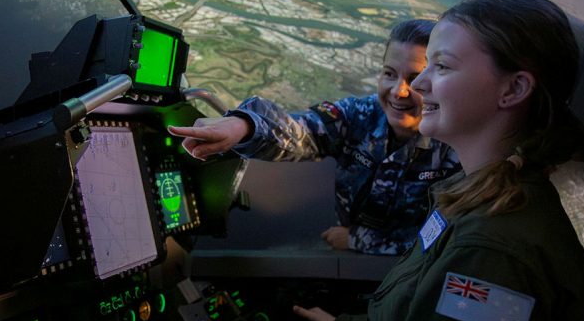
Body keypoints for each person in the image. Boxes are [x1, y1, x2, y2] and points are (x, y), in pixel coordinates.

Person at [100, 0, 584, 321]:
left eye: (439, 66)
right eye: (392, 73)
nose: (413, 87)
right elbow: (308, 128)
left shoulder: (496, 248)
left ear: (514, 90)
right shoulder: (479, 192)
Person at [169, 19, 460, 255]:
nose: (399, 91)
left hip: (411, 269)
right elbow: (302, 130)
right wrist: (244, 126)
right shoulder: (359, 114)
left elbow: (446, 238)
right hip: (349, 249)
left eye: (414, 78)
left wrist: (360, 241)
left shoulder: (455, 144)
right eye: (389, 73)